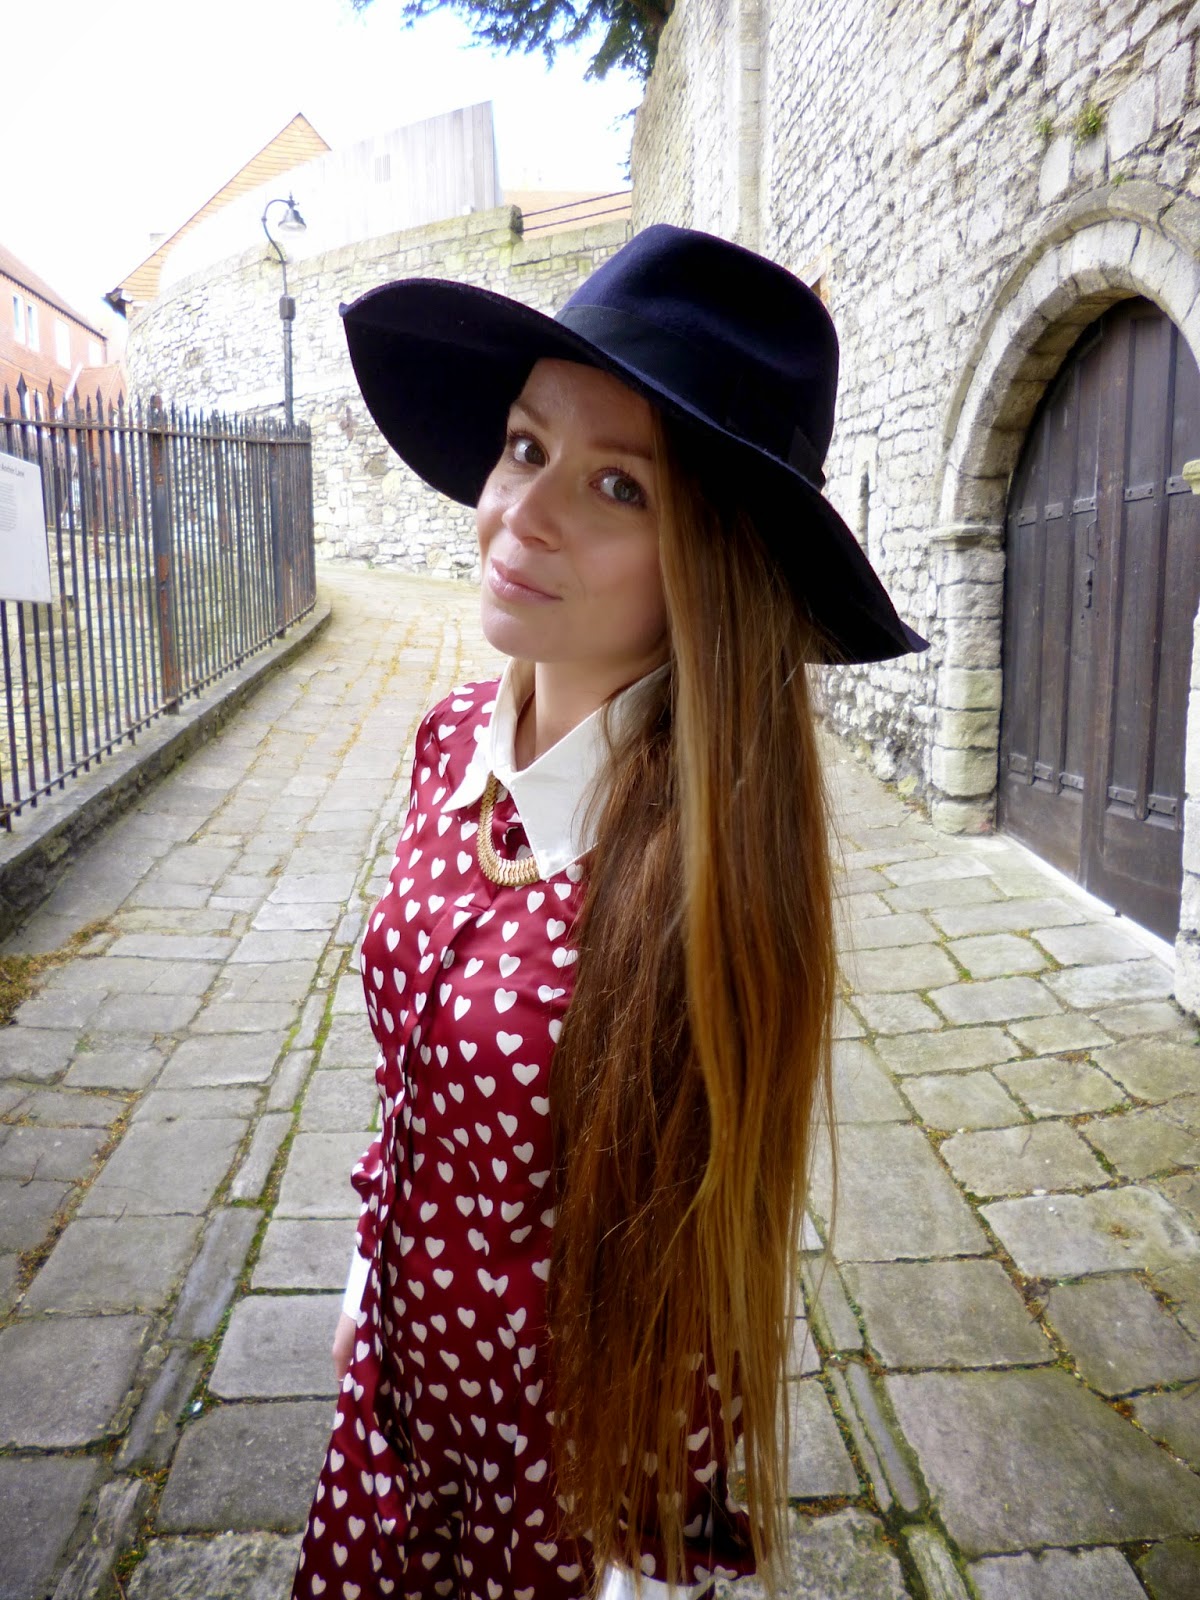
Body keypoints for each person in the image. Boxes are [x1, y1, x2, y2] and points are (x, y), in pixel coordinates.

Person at [291, 224, 926, 1600]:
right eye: (526, 446)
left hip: (555, 1498)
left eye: (618, 485)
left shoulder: (700, 887)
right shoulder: (449, 740)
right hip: (389, 1431)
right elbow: (409, 1085)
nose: (525, 512)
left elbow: (696, 1298)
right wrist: (363, 1289)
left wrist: (652, 1566)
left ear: (708, 563)